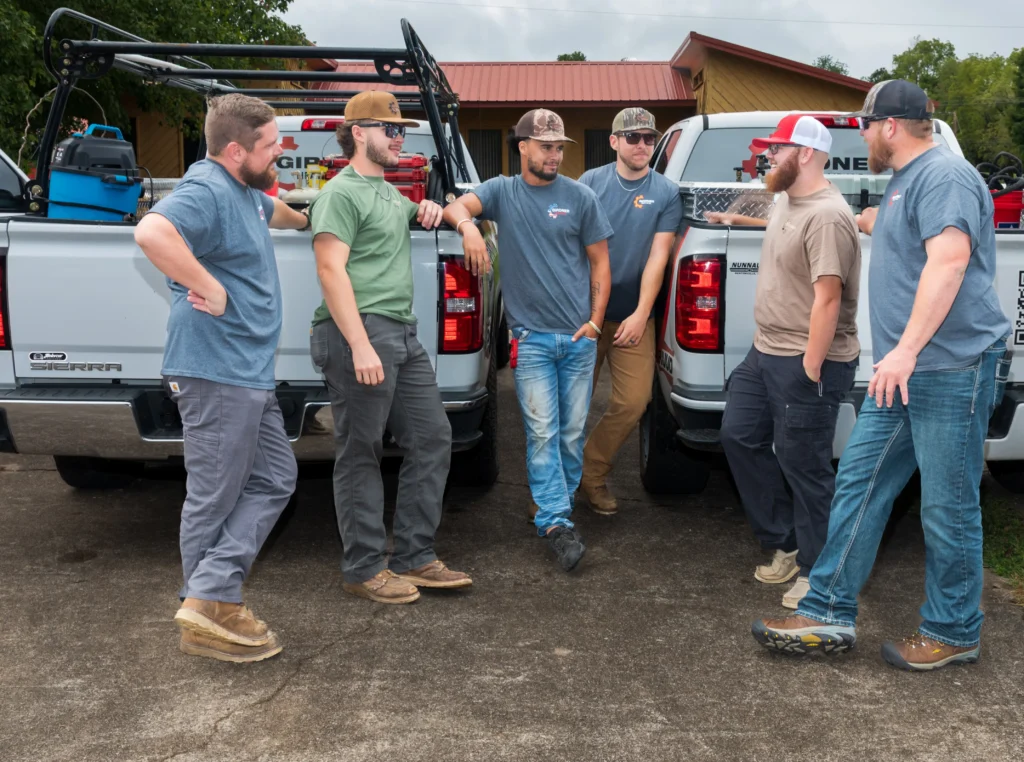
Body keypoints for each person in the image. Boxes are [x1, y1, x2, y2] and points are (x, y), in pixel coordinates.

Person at [752, 80, 1012, 671]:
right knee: (859, 483)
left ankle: (953, 631)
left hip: (948, 369)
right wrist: (871, 220)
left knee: (946, 508)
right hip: (906, 374)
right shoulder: (906, 182)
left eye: (866, 126)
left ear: (890, 126)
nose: (863, 137)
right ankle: (827, 609)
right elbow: (913, 238)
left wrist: (905, 350)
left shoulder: (944, 176)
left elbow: (949, 261)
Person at [135, 93, 311, 663]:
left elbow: (277, 211)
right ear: (236, 150)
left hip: (247, 372)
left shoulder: (246, 193)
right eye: (271, 145)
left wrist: (310, 215)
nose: (280, 153)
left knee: (275, 477)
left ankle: (210, 593)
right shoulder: (208, 189)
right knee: (214, 494)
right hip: (215, 370)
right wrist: (208, 286)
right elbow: (152, 232)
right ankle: (209, 608)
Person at [309, 91, 471, 605]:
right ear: (358, 133)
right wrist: (359, 345)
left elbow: (426, 211)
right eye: (390, 129)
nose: (400, 138)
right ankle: (363, 568)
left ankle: (414, 556)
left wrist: (446, 214)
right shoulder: (341, 193)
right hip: (359, 332)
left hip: (401, 332)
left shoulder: (387, 193)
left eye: (402, 130)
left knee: (432, 437)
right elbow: (330, 270)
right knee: (361, 450)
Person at [442, 108, 613, 572]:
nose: (554, 155)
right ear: (523, 148)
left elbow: (600, 261)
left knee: (571, 435)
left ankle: (557, 507)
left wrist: (595, 323)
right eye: (545, 147)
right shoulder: (502, 191)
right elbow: (455, 205)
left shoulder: (580, 197)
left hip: (578, 339)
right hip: (531, 340)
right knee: (542, 432)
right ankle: (556, 523)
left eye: (558, 147)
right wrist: (469, 227)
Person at [711, 115, 861, 610]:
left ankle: (820, 575)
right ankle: (787, 543)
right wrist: (737, 220)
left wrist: (811, 368)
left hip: (805, 359)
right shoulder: (787, 200)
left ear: (807, 154)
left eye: (777, 149)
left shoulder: (828, 216)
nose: (768, 156)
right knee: (738, 436)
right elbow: (783, 228)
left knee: (805, 467)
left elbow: (828, 299)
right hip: (765, 352)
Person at [575, 108, 683, 516]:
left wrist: (641, 313)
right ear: (614, 141)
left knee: (634, 402)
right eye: (633, 137)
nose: (641, 145)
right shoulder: (589, 183)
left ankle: (591, 471)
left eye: (649, 138)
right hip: (584, 315)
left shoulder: (666, 192)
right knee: (572, 404)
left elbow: (658, 256)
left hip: (632, 317)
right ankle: (552, 490)